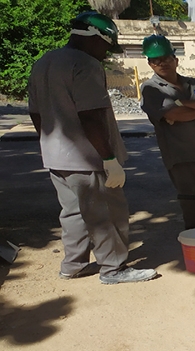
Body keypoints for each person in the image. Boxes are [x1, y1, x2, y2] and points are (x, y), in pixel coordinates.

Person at [27, 11, 157, 285]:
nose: (106, 53)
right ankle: (113, 269)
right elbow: (91, 115)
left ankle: (72, 265)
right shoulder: (85, 64)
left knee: (72, 212)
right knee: (107, 215)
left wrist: (50, 144)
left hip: (55, 157)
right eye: (107, 46)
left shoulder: (43, 62)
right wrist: (109, 159)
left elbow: (36, 114)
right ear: (96, 38)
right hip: (88, 158)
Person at [139, 34, 195, 233]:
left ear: (176, 59)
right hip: (183, 158)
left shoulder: (193, 84)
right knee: (193, 207)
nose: (162, 63)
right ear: (150, 64)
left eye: (166, 57)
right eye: (156, 60)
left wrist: (184, 103)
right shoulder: (150, 89)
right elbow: (175, 114)